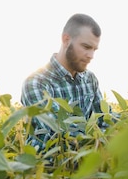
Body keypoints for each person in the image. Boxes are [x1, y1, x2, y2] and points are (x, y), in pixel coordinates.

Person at [21, 13, 115, 151]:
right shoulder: (36, 83)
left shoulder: (90, 79)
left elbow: (105, 119)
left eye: (94, 49)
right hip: (47, 168)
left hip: (85, 165)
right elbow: (60, 131)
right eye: (86, 47)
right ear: (66, 40)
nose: (91, 56)